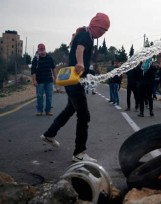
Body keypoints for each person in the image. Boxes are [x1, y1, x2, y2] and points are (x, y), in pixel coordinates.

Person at [40, 12, 110, 162]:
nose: (103, 33)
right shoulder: (86, 35)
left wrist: (87, 70)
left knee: (69, 110)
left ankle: (49, 134)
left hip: (73, 80)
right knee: (84, 115)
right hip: (74, 80)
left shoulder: (87, 34)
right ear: (97, 26)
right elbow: (79, 49)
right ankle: (79, 153)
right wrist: (81, 63)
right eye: (103, 30)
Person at [31, 44, 56, 116]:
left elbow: (53, 68)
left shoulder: (49, 57)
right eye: (40, 49)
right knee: (39, 96)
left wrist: (55, 78)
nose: (42, 50)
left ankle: (48, 111)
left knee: (49, 96)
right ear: (38, 50)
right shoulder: (36, 59)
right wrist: (34, 80)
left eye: (43, 49)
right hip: (39, 81)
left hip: (49, 80)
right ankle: (39, 111)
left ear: (45, 49)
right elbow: (33, 71)